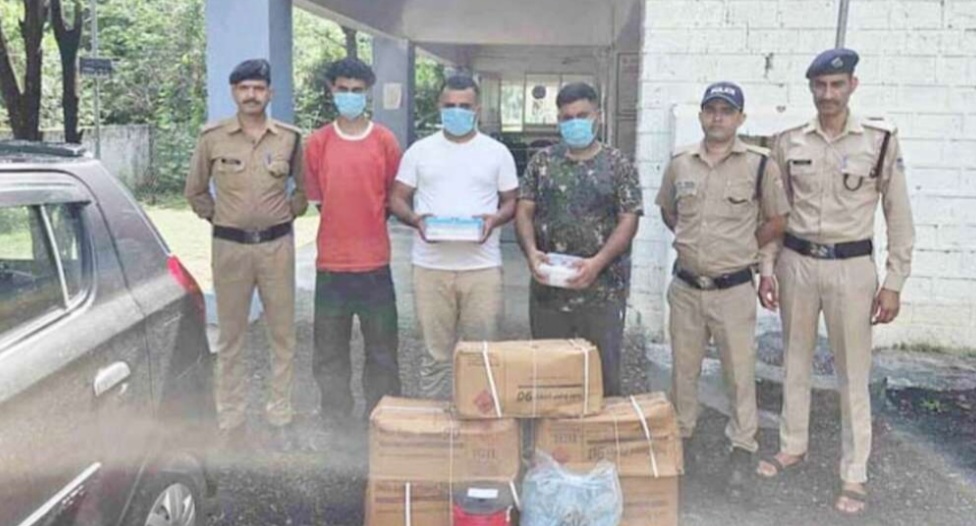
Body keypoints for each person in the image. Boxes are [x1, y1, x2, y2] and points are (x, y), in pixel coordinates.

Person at [755, 48, 915, 515]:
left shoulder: (879, 142)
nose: (828, 94)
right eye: (821, 86)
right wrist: (767, 267)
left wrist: (894, 281)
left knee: (852, 372)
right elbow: (776, 213)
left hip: (852, 267)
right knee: (795, 360)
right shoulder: (788, 142)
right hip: (798, 263)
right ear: (811, 89)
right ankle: (792, 445)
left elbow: (899, 215)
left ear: (852, 86)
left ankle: (854, 471)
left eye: (837, 85)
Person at [656, 82, 790, 494]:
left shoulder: (759, 165)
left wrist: (744, 248)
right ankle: (684, 443)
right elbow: (668, 211)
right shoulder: (680, 163)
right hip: (686, 288)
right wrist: (696, 246)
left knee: (739, 373)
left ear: (740, 119)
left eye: (726, 111)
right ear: (701, 115)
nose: (717, 117)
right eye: (711, 109)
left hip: (733, 290)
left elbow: (777, 220)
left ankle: (741, 451)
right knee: (684, 372)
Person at [184, 58, 307, 450]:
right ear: (233, 92)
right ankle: (231, 420)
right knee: (231, 337)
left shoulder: (289, 138)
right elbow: (195, 191)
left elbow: (303, 190)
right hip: (230, 249)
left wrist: (285, 213)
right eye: (244, 88)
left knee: (282, 336)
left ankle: (280, 416)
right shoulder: (212, 138)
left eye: (258, 88)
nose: (251, 95)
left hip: (276, 248)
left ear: (270, 93)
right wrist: (220, 217)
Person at [389, 74, 518, 400]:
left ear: (478, 109)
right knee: (435, 356)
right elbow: (397, 198)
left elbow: (511, 202)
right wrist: (415, 220)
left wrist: (495, 219)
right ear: (439, 106)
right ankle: (434, 420)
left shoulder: (497, 153)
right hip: (430, 268)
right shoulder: (420, 151)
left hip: (482, 268)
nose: (457, 112)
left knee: (481, 355)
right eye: (450, 106)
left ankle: (478, 421)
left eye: (465, 106)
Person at [514, 82, 643, 397]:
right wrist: (531, 253)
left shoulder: (618, 164)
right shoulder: (542, 162)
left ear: (598, 115)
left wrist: (597, 263)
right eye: (567, 117)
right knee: (549, 376)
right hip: (549, 291)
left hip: (602, 292)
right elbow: (523, 211)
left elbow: (629, 220)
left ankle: (601, 428)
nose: (574, 123)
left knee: (602, 375)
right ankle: (553, 429)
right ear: (558, 120)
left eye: (582, 115)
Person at [304, 57, 402, 426]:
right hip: (332, 267)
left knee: (382, 351)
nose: (349, 96)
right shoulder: (318, 143)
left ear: (367, 93)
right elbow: (320, 199)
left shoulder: (384, 141)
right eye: (343, 89)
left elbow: (391, 197)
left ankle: (382, 417)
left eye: (357, 90)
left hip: (375, 265)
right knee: (329, 351)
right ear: (332, 90)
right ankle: (336, 419)